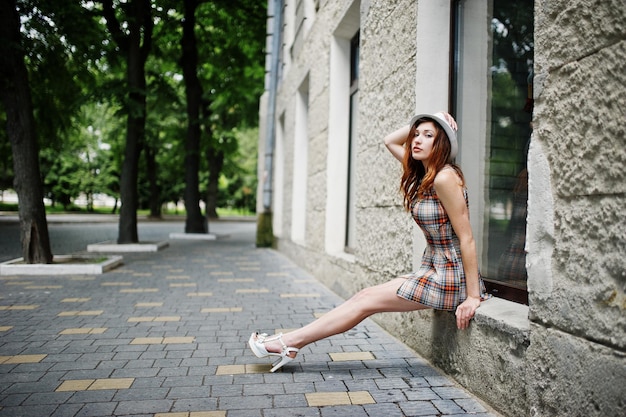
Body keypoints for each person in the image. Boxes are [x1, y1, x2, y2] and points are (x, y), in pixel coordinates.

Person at [249, 112, 487, 372]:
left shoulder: (444, 177)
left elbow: (467, 238)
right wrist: (433, 115)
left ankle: (288, 343)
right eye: (416, 134)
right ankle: (289, 342)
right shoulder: (425, 174)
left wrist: (473, 296)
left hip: (451, 278)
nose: (416, 140)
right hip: (435, 268)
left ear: (442, 144)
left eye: (428, 135)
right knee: (363, 296)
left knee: (365, 303)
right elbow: (390, 141)